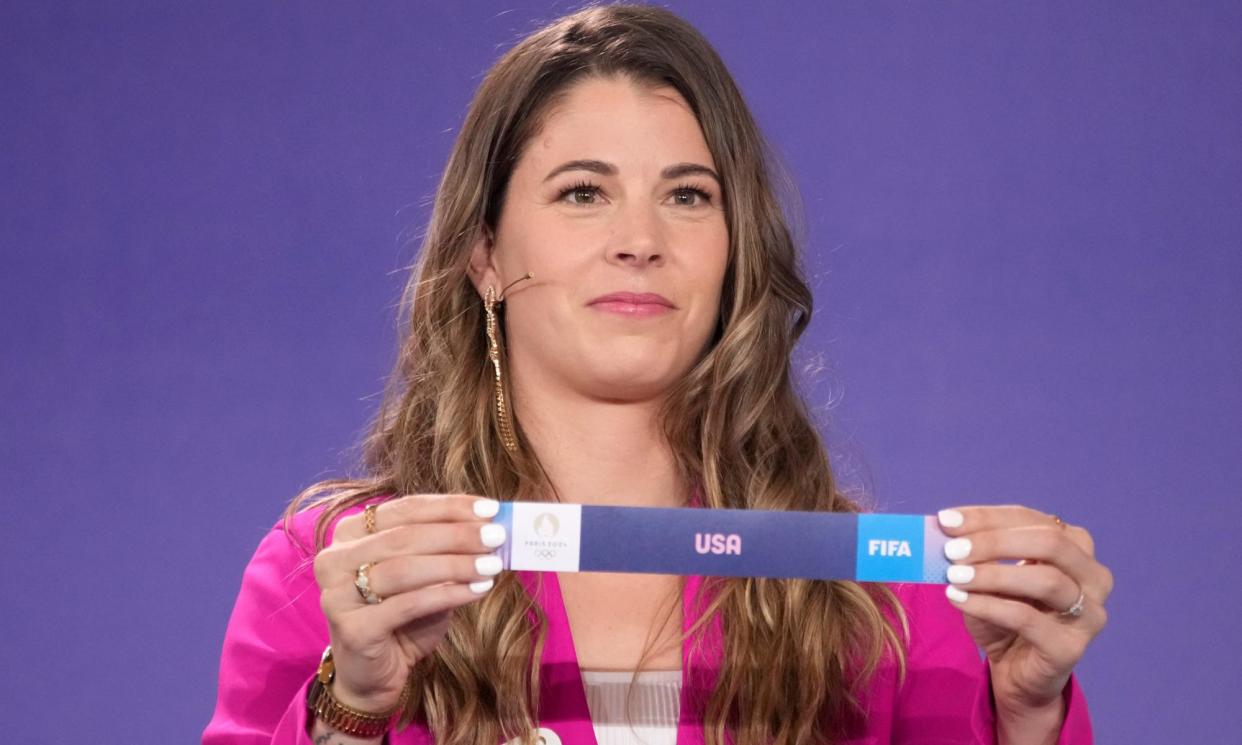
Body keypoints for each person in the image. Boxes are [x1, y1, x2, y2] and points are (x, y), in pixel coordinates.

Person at [204, 5, 1112, 744]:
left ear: (734, 253)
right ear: (484, 254)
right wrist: (352, 712)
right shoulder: (338, 574)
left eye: (687, 195)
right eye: (582, 192)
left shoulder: (898, 612)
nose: (640, 241)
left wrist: (1029, 715)